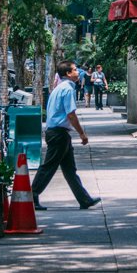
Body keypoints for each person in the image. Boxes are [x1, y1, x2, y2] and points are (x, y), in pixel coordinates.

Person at [32, 60, 101, 210]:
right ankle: (32, 195)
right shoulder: (68, 89)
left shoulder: (59, 88)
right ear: (68, 74)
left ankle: (84, 199)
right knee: (49, 166)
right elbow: (71, 114)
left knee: (69, 169)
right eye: (75, 69)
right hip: (58, 134)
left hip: (57, 132)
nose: (78, 72)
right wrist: (82, 134)